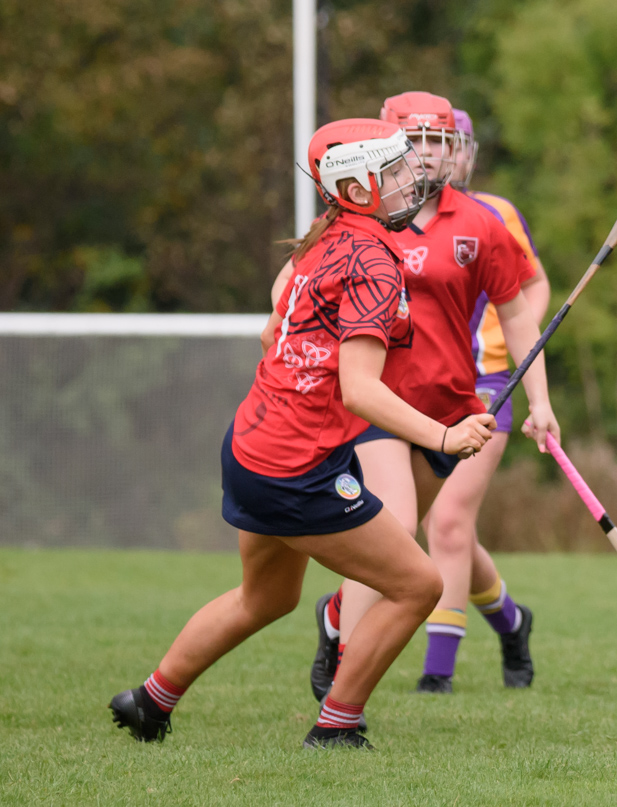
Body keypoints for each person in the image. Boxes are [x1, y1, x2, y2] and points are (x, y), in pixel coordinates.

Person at [109, 119, 496, 750]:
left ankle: (150, 700)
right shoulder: (374, 260)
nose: (410, 181)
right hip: (299, 467)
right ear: (358, 185)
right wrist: (446, 438)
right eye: (394, 173)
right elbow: (361, 391)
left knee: (264, 598)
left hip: (252, 446)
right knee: (418, 585)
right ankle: (337, 725)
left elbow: (273, 331)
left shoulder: (325, 239)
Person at [284, 93, 558, 705]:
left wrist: (540, 400)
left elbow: (516, 315)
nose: (431, 154)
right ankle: (345, 692)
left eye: (441, 141)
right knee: (393, 527)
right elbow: (291, 285)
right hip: (377, 402)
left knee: (411, 538)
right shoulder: (356, 215)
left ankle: (335, 622)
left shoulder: (481, 222)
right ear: (389, 146)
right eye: (419, 141)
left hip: (453, 405)